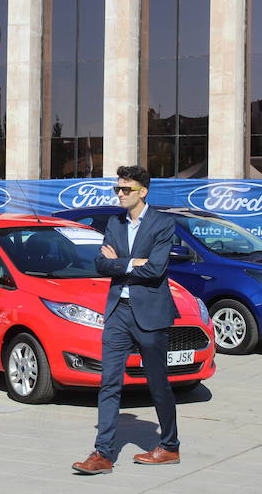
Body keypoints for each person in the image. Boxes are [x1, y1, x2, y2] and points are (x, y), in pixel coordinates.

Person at [72, 165, 180, 475]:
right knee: (109, 383)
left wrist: (120, 263)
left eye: (126, 189)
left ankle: (170, 446)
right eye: (117, 189)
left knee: (158, 384)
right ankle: (102, 453)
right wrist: (133, 262)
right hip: (118, 311)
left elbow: (157, 269)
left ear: (142, 192)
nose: (120, 194)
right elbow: (101, 265)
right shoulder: (115, 223)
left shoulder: (162, 223)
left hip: (150, 313)